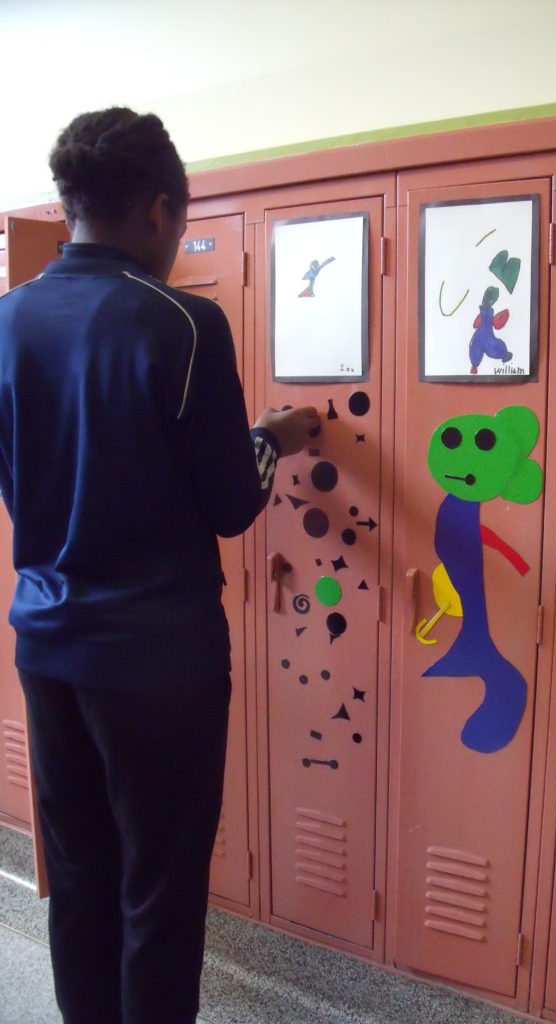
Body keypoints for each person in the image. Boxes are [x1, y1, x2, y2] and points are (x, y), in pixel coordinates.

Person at [0, 107, 319, 1024]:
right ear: (157, 209)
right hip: (158, 666)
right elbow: (230, 505)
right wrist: (267, 437)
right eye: (179, 221)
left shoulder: (8, 320)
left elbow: (25, 481)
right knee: (160, 892)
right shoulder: (184, 324)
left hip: (48, 647)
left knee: (81, 876)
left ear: (70, 208)